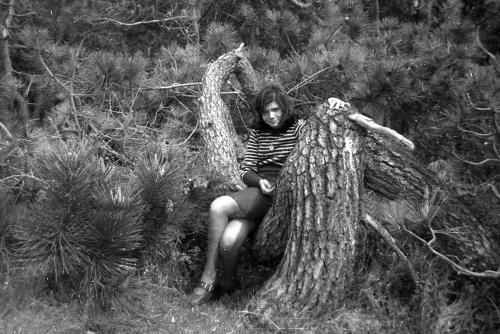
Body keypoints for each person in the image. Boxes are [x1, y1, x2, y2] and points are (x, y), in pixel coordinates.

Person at [189, 85, 348, 305]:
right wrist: (259, 181)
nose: (271, 116)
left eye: (275, 110)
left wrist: (331, 102)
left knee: (219, 207)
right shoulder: (258, 133)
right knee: (228, 242)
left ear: (284, 108)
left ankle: (208, 277)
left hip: (283, 193)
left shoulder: (297, 128)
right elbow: (246, 170)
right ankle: (229, 282)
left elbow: (320, 129)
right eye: (266, 112)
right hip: (259, 194)